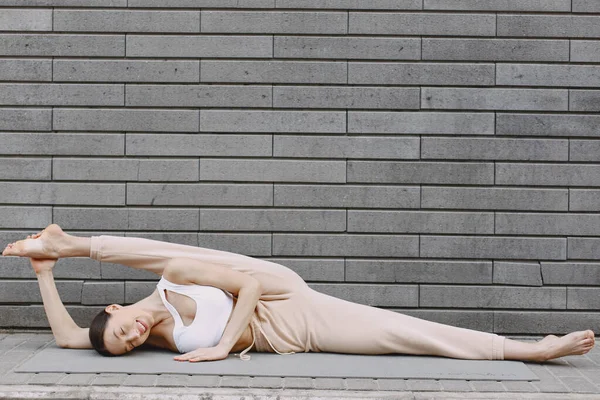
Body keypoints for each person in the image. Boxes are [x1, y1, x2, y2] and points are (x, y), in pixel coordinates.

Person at [1, 224, 595, 363]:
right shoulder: (157, 337)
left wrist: (216, 351)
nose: (131, 335)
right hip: (282, 332)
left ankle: (71, 240)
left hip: (279, 296)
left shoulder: (170, 284)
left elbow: (252, 284)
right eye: (128, 345)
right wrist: (43, 276)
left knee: (174, 259)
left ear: (115, 307)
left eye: (121, 327)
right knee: (398, 334)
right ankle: (530, 350)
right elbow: (67, 336)